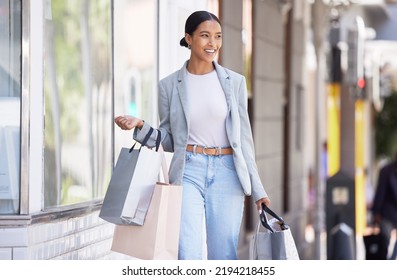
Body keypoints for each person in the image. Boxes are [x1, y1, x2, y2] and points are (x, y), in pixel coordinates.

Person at [114, 10, 270, 260]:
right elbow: (169, 140)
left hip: (228, 171)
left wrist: (259, 189)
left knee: (223, 255)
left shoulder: (235, 83)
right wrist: (141, 126)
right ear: (188, 38)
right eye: (205, 36)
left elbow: (244, 142)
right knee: (187, 252)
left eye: (217, 37)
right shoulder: (168, 86)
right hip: (188, 170)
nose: (213, 44)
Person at [371, 152, 397, 259]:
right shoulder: (386, 171)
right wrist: (376, 212)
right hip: (387, 213)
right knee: (384, 240)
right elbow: (380, 192)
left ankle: (392, 259)